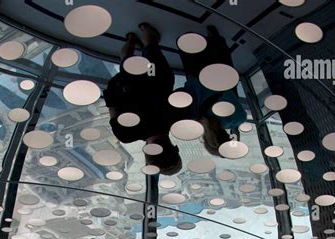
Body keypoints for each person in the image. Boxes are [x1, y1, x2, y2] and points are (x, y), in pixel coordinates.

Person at [103, 22, 182, 175]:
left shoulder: (177, 120)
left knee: (151, 47)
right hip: (128, 82)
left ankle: (146, 32)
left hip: (157, 78)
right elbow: (112, 107)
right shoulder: (126, 135)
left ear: (174, 148)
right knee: (126, 58)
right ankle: (131, 39)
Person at [176, 25, 247, 155]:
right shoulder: (197, 119)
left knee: (217, 49)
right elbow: (184, 94)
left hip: (221, 75)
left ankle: (213, 35)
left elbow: (230, 94)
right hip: (195, 77)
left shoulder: (238, 118)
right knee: (188, 40)